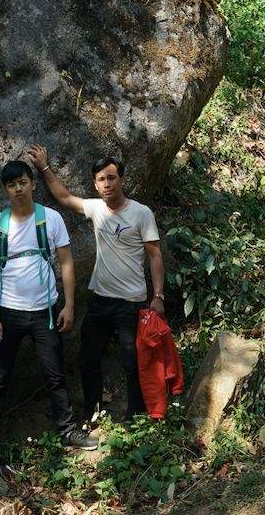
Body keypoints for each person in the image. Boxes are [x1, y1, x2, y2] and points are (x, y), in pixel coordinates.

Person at [0, 160, 99, 465]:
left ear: (32, 184)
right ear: (5, 189)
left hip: (46, 311)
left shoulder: (50, 219)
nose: (18, 189)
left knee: (55, 373)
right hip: (8, 312)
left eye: (23, 182)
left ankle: (67, 430)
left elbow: (66, 263)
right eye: (12, 184)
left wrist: (69, 304)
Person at [26, 145, 165, 421]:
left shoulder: (141, 213)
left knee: (131, 360)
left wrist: (158, 295)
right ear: (95, 184)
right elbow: (65, 198)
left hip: (131, 302)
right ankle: (93, 410)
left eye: (111, 177)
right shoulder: (96, 208)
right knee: (88, 358)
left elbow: (155, 254)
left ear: (121, 179)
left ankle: (136, 414)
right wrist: (43, 167)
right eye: (101, 179)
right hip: (100, 299)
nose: (107, 184)